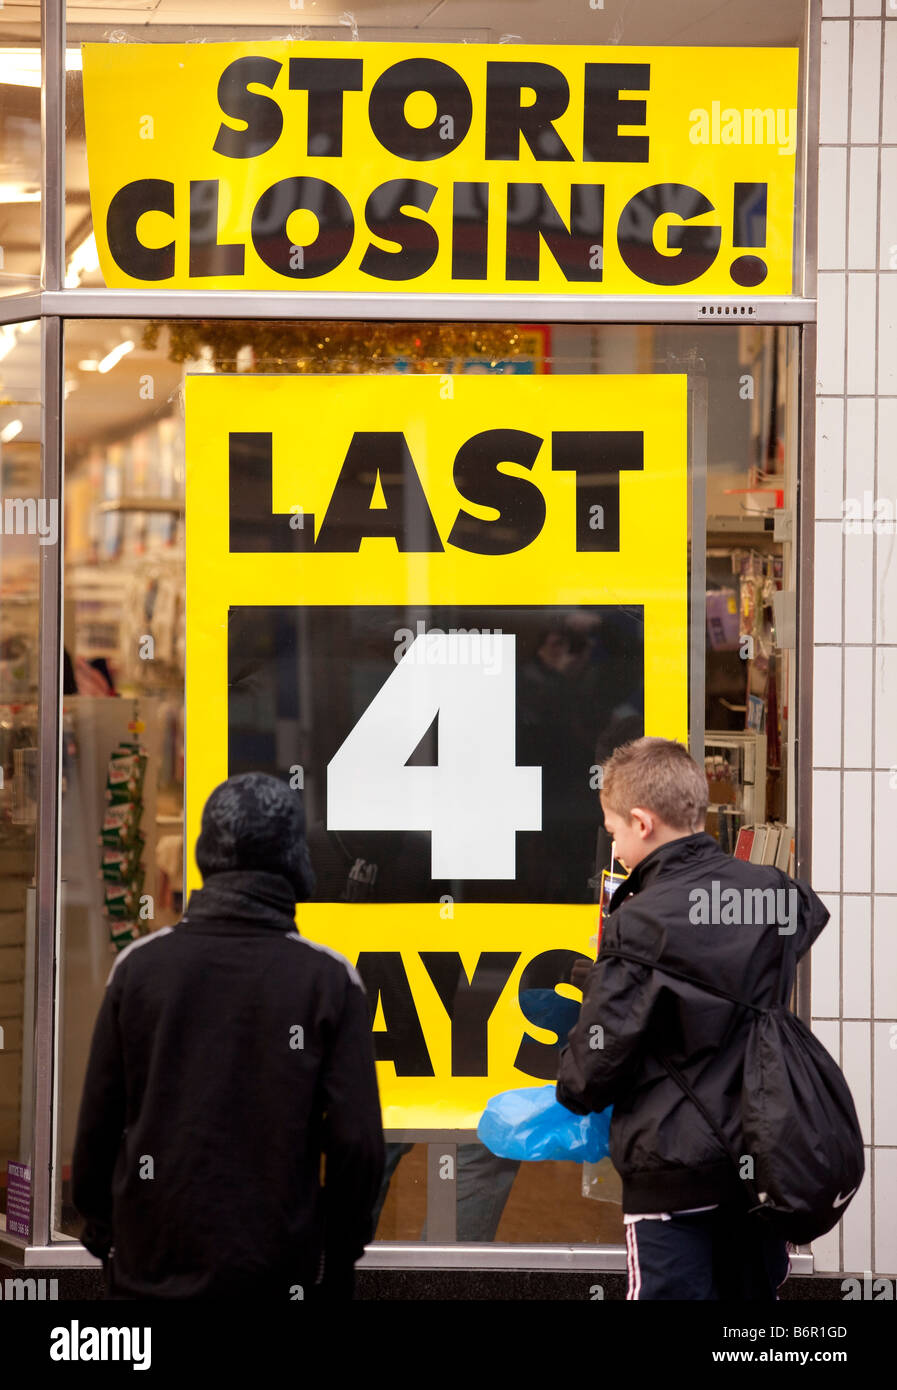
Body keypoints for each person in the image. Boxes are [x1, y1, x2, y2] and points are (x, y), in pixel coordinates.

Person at [71, 772, 385, 1300]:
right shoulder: (329, 979)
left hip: (151, 1269)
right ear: (296, 862)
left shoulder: (138, 969)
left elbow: (98, 1128)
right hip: (282, 1271)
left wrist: (108, 1237)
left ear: (204, 855)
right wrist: (335, 1252)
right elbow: (357, 1147)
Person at [557, 737, 829, 1301]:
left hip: (672, 1176)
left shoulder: (639, 923)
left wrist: (608, 972)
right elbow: (806, 916)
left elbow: (586, 1077)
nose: (618, 853)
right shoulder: (770, 893)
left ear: (641, 822)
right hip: (759, 1162)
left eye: (615, 834)